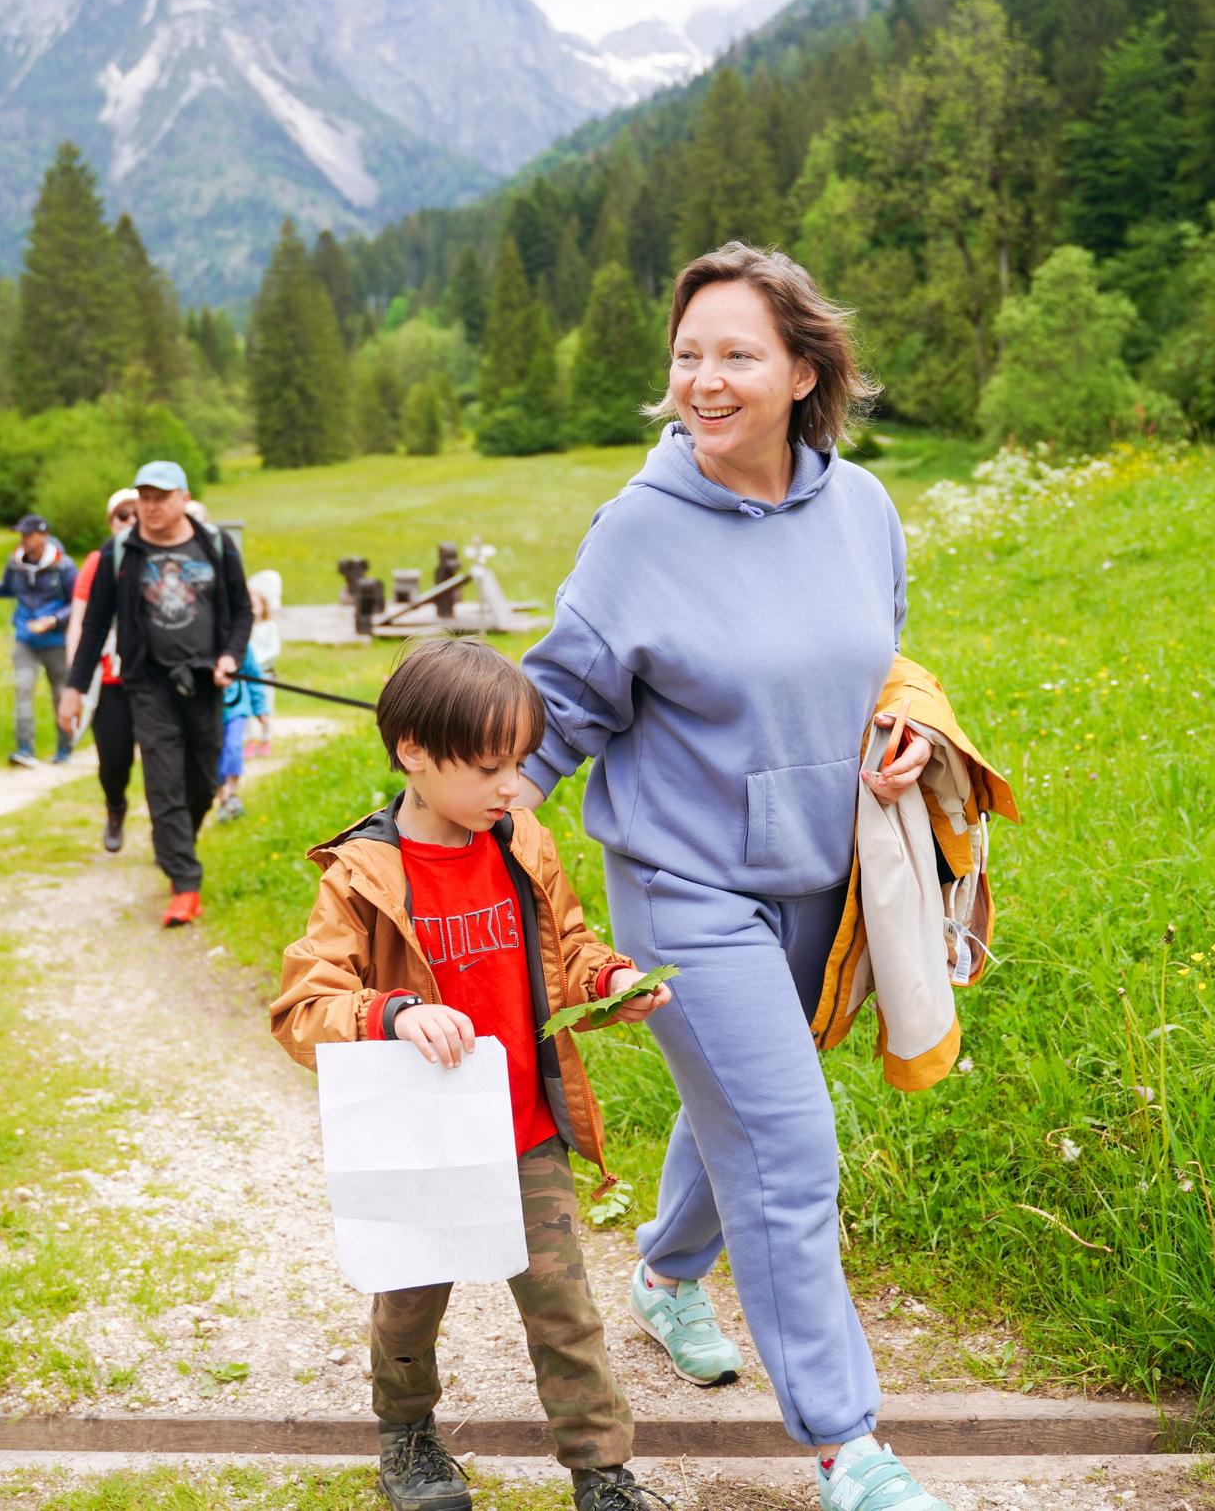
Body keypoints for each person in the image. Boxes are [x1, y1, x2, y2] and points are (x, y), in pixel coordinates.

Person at [512, 245, 950, 1511]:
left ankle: (661, 1276)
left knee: (747, 1106)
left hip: (826, 876)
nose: (703, 381)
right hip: (687, 885)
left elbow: (880, 662)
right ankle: (846, 1447)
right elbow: (559, 708)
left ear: (802, 371)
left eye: (735, 355)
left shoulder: (861, 507)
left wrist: (907, 723)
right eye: (687, 355)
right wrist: (450, 817)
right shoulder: (637, 530)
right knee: (787, 1141)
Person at [268, 636, 674, 1511]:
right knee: (409, 1307)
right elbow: (304, 1005)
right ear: (412, 751)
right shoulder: (363, 875)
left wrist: (606, 981)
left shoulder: (521, 839)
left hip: (526, 1128)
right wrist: (395, 1012)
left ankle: (603, 1475)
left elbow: (565, 944)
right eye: (490, 766)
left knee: (567, 1313)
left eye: (520, 763)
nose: (511, 785)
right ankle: (407, 1440)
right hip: (424, 1143)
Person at [59, 462, 250, 925]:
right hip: (146, 684)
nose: (151, 505)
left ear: (183, 498)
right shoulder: (119, 553)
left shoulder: (217, 546)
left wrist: (229, 657)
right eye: (144, 496)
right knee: (162, 779)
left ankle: (177, 844)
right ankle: (185, 885)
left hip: (205, 682)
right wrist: (74, 689)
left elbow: (242, 612)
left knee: (203, 781)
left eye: (161, 496)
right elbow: (94, 625)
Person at [0, 514, 78, 768]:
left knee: (60, 694)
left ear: (43, 536)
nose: (24, 540)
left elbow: (77, 603)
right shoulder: (15, 563)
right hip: (25, 639)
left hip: (56, 640)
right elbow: (8, 590)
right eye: (22, 535)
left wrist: (53, 620)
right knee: (23, 688)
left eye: (28, 535)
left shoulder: (64, 566)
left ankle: (65, 747)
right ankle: (25, 749)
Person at [66, 487, 139, 852]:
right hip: (108, 678)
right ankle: (115, 806)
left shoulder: (157, 557)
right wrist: (73, 680)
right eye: (121, 516)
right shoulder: (98, 561)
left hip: (151, 679)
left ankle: (169, 839)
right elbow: (81, 620)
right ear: (111, 523)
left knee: (165, 764)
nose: (130, 521)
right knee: (114, 760)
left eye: (135, 514)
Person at [215, 568, 281, 822]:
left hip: (236, 709)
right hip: (210, 712)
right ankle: (221, 797)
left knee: (232, 748)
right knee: (214, 753)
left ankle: (232, 793)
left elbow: (254, 679)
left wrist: (260, 709)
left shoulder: (242, 647)